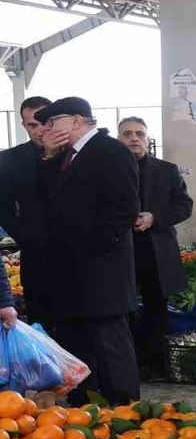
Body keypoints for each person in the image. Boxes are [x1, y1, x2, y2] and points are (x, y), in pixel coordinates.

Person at [35, 97, 141, 406]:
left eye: (54, 122)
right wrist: (49, 154)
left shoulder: (110, 152)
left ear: (78, 121)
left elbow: (124, 209)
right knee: (79, 341)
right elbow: (48, 198)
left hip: (101, 271)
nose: (48, 129)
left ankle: (124, 408)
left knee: (110, 343)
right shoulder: (66, 156)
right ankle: (87, 405)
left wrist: (92, 250)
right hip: (72, 273)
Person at [118, 117, 193, 381]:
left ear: (148, 139)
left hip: (156, 249)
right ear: (119, 139)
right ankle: (128, 363)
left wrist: (154, 217)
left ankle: (154, 364)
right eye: (127, 133)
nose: (134, 138)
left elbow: (184, 206)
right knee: (123, 309)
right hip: (118, 251)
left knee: (156, 308)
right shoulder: (109, 169)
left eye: (139, 133)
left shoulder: (167, 171)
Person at [0, 96, 52, 324]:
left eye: (44, 122)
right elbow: (3, 208)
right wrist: (26, 237)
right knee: (41, 324)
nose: (39, 130)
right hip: (35, 257)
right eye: (32, 125)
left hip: (80, 258)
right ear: (24, 125)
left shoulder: (75, 155)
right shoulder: (10, 160)